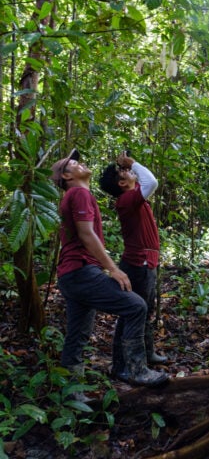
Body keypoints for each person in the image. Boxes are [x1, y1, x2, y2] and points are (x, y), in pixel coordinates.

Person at [51, 148, 168, 387]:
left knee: (78, 333)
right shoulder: (79, 194)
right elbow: (86, 234)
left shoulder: (76, 195)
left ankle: (70, 392)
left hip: (72, 274)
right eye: (73, 163)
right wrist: (113, 269)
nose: (80, 164)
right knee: (136, 306)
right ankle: (135, 370)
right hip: (81, 270)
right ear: (66, 176)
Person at [98, 152, 168, 382]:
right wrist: (131, 163)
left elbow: (147, 182)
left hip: (144, 263)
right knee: (133, 313)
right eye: (126, 173)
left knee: (143, 310)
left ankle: (146, 355)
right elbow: (152, 181)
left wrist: (130, 167)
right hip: (138, 264)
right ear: (121, 183)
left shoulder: (133, 198)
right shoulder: (127, 200)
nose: (131, 172)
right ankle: (126, 365)